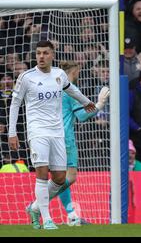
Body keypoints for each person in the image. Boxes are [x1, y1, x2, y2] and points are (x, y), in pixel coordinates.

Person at [8, 41, 96, 230]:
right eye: (38, 53)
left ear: (52, 55)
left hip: (57, 132)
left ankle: (34, 207)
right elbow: (15, 104)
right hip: (37, 131)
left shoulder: (59, 74)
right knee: (41, 173)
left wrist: (86, 101)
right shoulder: (27, 77)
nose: (41, 56)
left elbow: (70, 88)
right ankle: (47, 218)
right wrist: (12, 132)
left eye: (45, 53)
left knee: (58, 178)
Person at [57, 61, 110, 226]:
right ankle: (38, 203)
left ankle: (72, 216)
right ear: (75, 71)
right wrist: (100, 104)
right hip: (65, 138)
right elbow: (82, 116)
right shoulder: (70, 89)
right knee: (70, 178)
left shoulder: (53, 89)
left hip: (50, 138)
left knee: (61, 179)